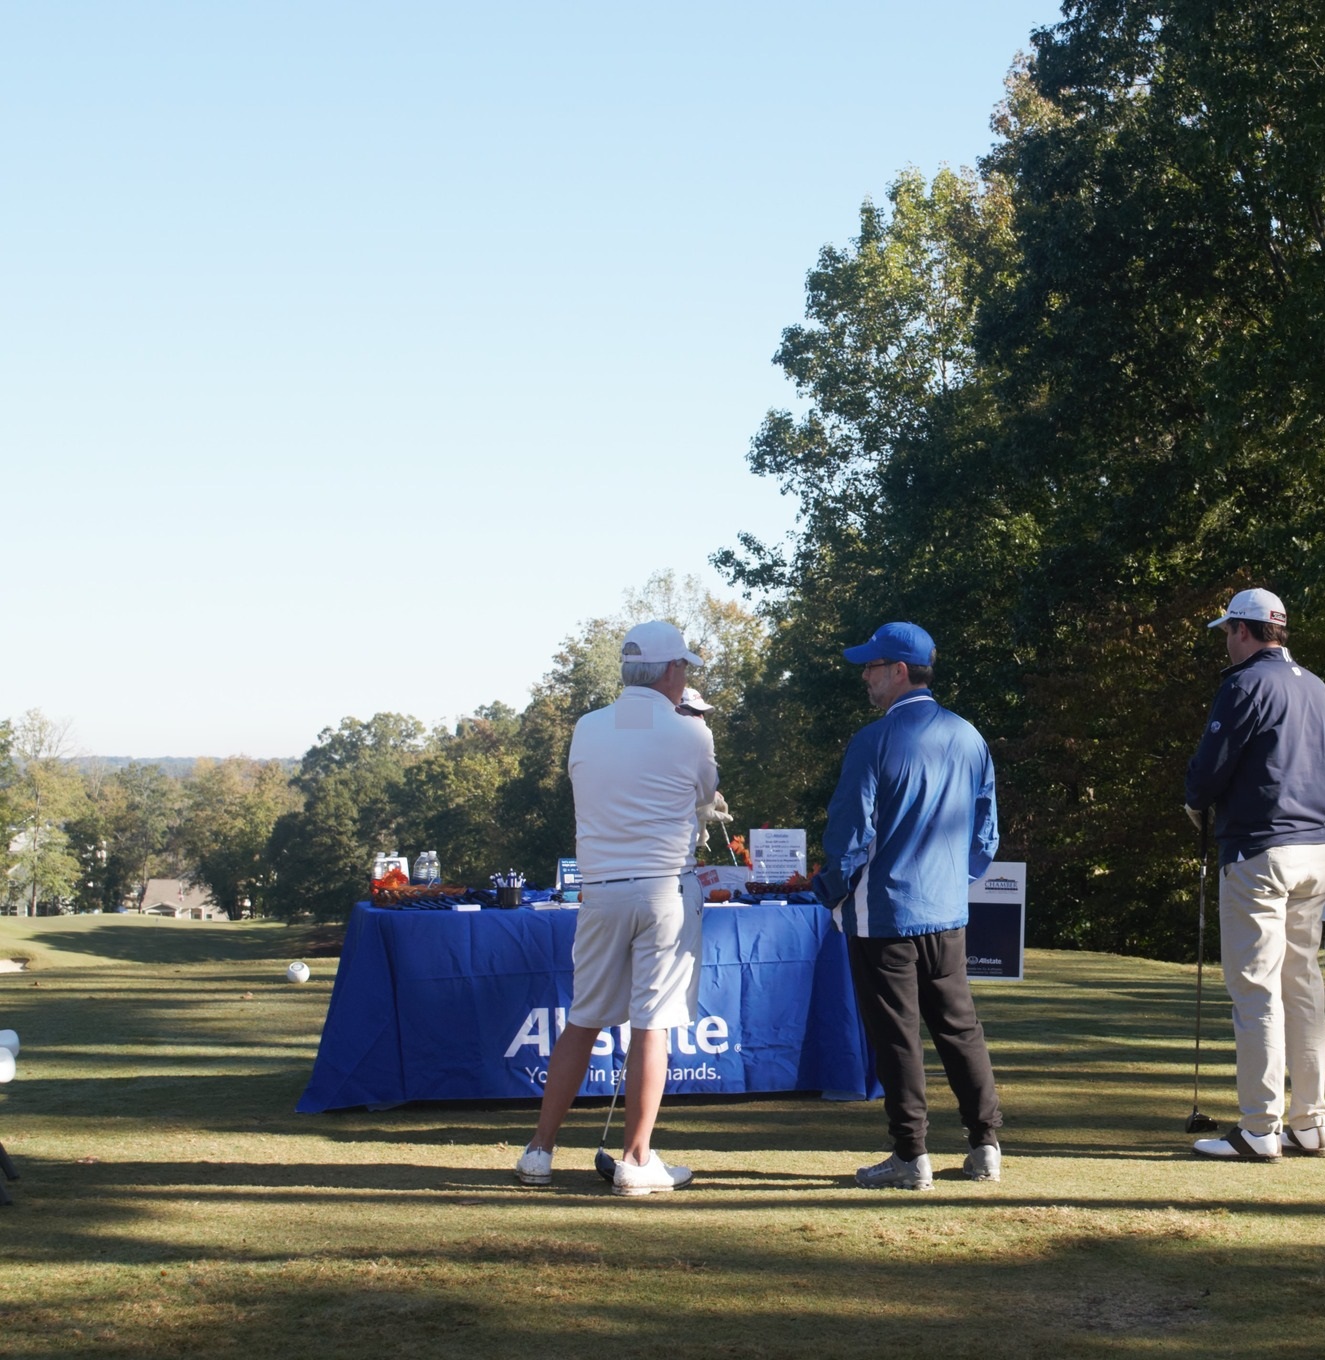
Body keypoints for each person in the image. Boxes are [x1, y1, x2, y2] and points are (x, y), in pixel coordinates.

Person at [515, 619, 719, 1194]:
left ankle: (539, 1150)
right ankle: (636, 1158)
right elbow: (705, 794)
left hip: (601, 887)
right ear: (671, 671)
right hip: (664, 890)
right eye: (684, 669)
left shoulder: (587, 726)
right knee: (653, 1024)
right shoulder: (691, 734)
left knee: (583, 1019)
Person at [811, 621, 1003, 1190]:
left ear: (899, 671)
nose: (865, 678)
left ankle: (909, 1155)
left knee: (897, 1035)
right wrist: (951, 880)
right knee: (959, 1028)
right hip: (946, 911)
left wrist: (830, 891)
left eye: (872, 668)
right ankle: (985, 1145)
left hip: (883, 913)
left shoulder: (873, 740)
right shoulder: (969, 736)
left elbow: (848, 835)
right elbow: (986, 834)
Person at [1184, 587, 1325, 1161]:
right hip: (1315, 852)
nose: (1226, 641)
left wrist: (1195, 799)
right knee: (1304, 986)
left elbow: (1208, 771)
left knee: (1256, 989)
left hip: (1258, 852)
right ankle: (1312, 1123)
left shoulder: (1244, 685)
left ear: (1244, 631)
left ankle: (1260, 1129)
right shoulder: (1316, 687)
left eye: (1227, 632)